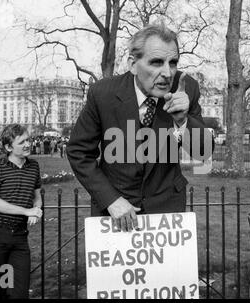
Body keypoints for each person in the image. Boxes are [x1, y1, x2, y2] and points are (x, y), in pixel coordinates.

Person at [67, 23, 213, 232]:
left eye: (173, 62)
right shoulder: (103, 93)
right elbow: (78, 152)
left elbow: (203, 153)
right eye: (156, 62)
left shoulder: (186, 88)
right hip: (114, 211)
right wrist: (111, 200)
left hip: (167, 209)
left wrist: (183, 121)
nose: (167, 72)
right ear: (133, 64)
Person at [0, 124, 43, 299]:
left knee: (19, 292)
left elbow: (37, 196)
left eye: (28, 140)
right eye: (22, 142)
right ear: (8, 147)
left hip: (19, 238)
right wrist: (26, 211)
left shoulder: (34, 166)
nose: (28, 144)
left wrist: (36, 209)